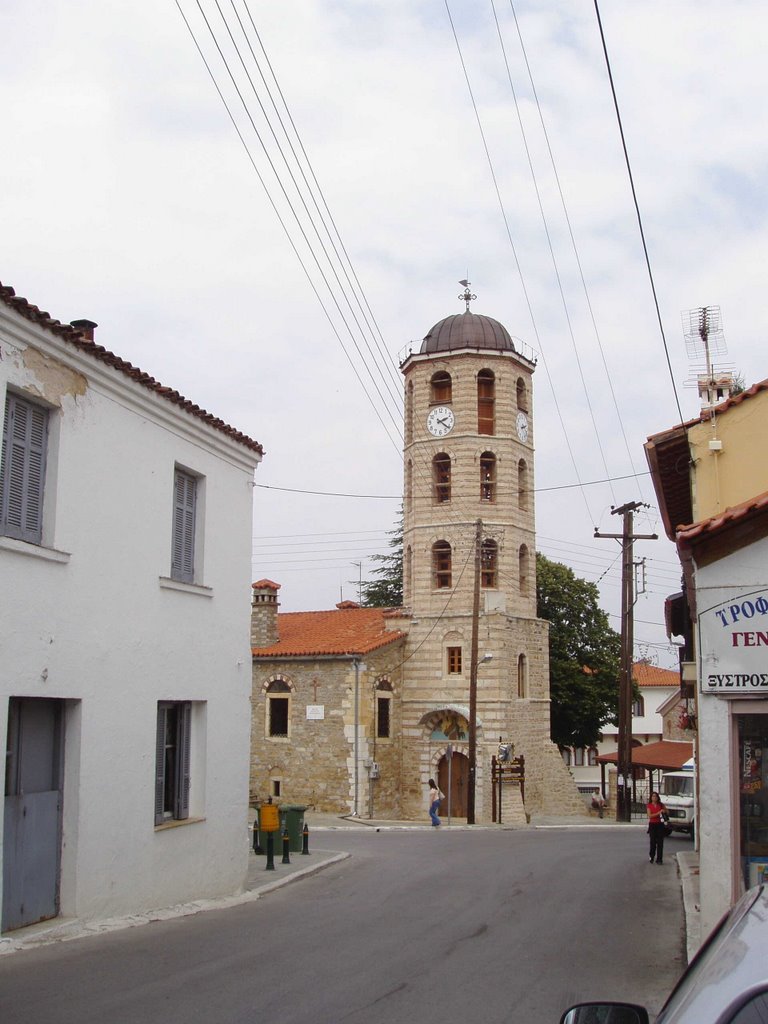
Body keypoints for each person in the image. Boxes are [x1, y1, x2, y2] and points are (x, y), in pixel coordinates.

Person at [646, 791, 668, 864]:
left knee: (660, 842)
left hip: (660, 825)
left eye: (655, 796)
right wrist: (658, 813)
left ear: (658, 797)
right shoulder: (649, 805)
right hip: (652, 824)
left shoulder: (661, 805)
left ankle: (659, 859)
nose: (654, 798)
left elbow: (667, 812)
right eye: (653, 796)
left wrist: (664, 811)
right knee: (652, 842)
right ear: (651, 798)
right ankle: (651, 856)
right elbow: (650, 815)